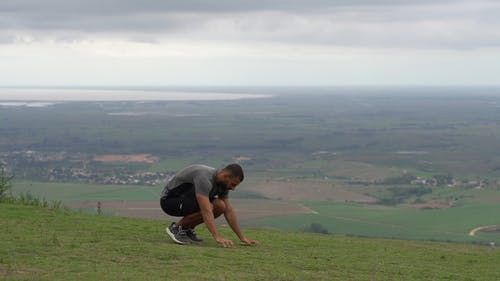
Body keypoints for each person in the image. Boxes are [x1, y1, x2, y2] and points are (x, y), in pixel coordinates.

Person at [160, 163, 261, 248]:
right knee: (210, 206)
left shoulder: (223, 184)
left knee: (220, 206)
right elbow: (206, 210)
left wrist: (242, 237)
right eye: (233, 184)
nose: (233, 188)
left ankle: (186, 229)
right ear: (226, 176)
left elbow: (228, 210)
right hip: (170, 201)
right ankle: (176, 228)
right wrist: (217, 237)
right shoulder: (204, 177)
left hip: (188, 199)